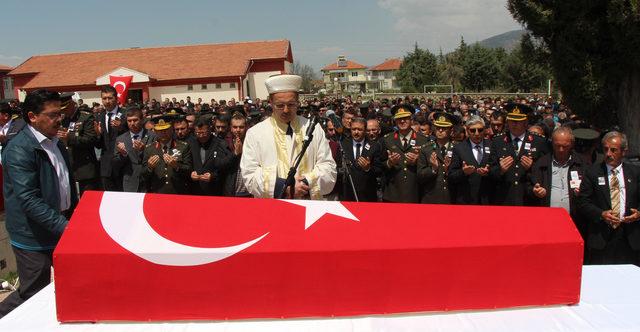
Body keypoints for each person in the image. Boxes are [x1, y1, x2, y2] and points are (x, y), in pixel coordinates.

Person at [0, 89, 78, 318]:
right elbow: (28, 199)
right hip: (32, 235)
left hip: (58, 226)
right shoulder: (18, 150)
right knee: (33, 291)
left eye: (60, 113)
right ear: (33, 116)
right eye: (53, 114)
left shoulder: (56, 143)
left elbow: (64, 184)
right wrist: (66, 227)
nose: (59, 118)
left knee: (62, 286)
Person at [241, 74, 336, 199]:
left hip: (308, 205)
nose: (286, 110)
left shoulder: (313, 129)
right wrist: (284, 187)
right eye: (280, 105)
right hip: (274, 207)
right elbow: (249, 174)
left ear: (298, 102)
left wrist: (304, 184)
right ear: (270, 102)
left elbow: (328, 167)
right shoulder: (255, 133)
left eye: (291, 104)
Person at [578, 131, 640, 265]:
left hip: (629, 237)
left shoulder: (635, 173)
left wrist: (638, 213)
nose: (608, 154)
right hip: (602, 236)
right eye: (605, 150)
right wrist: (601, 214)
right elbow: (583, 202)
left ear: (624, 152)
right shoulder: (593, 172)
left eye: (613, 150)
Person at [528, 127, 587, 238]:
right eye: (557, 145)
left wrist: (583, 193)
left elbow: (591, 190)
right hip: (547, 220)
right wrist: (535, 191)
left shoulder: (582, 164)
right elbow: (529, 186)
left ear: (572, 144)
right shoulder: (541, 163)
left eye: (565, 146)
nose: (560, 149)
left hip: (575, 220)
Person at [489, 103, 548, 206]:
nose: (514, 124)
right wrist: (500, 170)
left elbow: (546, 171)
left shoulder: (538, 141)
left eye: (518, 121)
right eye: (511, 121)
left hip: (528, 198)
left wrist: (532, 167)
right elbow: (490, 171)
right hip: (505, 198)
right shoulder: (498, 141)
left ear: (525, 122)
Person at [380, 104, 430, 203]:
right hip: (393, 194)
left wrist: (417, 162)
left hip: (415, 192)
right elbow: (380, 165)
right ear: (395, 121)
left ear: (411, 119)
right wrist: (390, 163)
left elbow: (430, 168)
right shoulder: (387, 140)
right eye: (399, 119)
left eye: (405, 118)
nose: (402, 121)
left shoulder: (423, 140)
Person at [57, 92, 101, 194]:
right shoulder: (63, 120)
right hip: (69, 168)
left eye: (65, 108)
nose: (63, 111)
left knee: (87, 202)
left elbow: (91, 140)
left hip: (85, 167)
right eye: (61, 109)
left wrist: (70, 138)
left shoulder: (86, 117)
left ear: (72, 104)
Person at [141, 117, 193, 194]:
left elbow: (189, 170)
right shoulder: (149, 149)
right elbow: (142, 175)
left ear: (172, 130)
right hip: (157, 192)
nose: (163, 133)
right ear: (155, 131)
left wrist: (177, 166)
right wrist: (149, 167)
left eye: (165, 130)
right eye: (159, 131)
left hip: (178, 192)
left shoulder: (183, 147)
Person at [448, 115, 493, 205]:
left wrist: (488, 172)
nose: (476, 133)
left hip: (488, 198)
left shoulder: (492, 145)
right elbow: (451, 175)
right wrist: (463, 172)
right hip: (466, 200)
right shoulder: (459, 148)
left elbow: (497, 169)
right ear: (467, 131)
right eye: (472, 130)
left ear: (484, 130)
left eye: (480, 130)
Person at [338, 117, 384, 202]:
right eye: (353, 129)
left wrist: (368, 168)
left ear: (365, 130)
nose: (356, 132)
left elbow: (379, 169)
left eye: (359, 129)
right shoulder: (343, 144)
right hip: (347, 194)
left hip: (367, 195)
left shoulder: (374, 146)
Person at [417, 112, 458, 204]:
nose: (440, 130)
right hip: (431, 198)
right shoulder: (426, 149)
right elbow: (420, 176)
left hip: (452, 197)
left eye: (444, 128)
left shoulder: (457, 148)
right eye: (438, 127)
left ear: (451, 130)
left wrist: (449, 170)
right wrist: (433, 169)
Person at [113, 107, 155, 192]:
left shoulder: (152, 136)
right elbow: (115, 164)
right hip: (130, 183)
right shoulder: (121, 139)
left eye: (135, 120)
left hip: (150, 181)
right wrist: (123, 154)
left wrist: (144, 150)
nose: (132, 123)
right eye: (129, 121)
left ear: (142, 120)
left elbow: (157, 157)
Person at [187, 116, 231, 196]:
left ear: (210, 129)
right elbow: (188, 162)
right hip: (195, 190)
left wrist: (213, 175)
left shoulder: (220, 144)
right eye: (198, 133)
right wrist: (191, 172)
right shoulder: (191, 143)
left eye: (204, 133)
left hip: (214, 190)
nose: (201, 136)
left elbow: (224, 167)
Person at [95, 85, 128, 191]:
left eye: (110, 98)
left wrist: (121, 128)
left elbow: (134, 135)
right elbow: (98, 145)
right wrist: (97, 134)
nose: (107, 101)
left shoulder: (126, 114)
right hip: (106, 166)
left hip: (124, 165)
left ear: (116, 98)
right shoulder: (98, 117)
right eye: (104, 98)